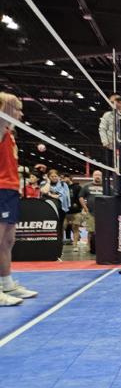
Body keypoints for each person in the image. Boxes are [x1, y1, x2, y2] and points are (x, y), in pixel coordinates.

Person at [0, 92, 38, 306]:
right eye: (17, 109)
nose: (21, 114)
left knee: (8, 241)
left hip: (11, 190)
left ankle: (7, 284)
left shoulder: (9, 132)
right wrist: (5, 103)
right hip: (0, 189)